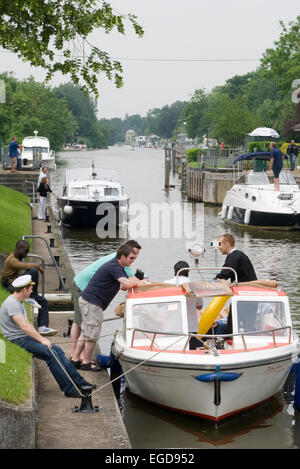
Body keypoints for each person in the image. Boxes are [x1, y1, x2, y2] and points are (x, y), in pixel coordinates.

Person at [0, 275, 95, 398]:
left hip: (22, 337)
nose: (32, 291)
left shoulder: (18, 301)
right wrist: (42, 340)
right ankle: (69, 390)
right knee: (51, 354)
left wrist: (40, 338)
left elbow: (27, 325)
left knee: (58, 350)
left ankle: (80, 383)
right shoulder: (12, 303)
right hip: (16, 340)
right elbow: (24, 327)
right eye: (30, 289)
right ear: (24, 289)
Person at [71, 245, 144, 370]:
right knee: (92, 336)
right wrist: (139, 281)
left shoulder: (118, 266)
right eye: (131, 258)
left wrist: (135, 280)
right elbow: (125, 283)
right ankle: (86, 363)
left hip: (89, 300)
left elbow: (122, 286)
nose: (133, 260)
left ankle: (75, 359)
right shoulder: (114, 266)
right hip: (93, 303)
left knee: (85, 333)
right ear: (122, 257)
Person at [1, 240, 56, 336]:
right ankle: (32, 296)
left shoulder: (15, 257)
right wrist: (38, 266)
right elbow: (23, 266)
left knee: (43, 301)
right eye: (25, 251)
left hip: (15, 284)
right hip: (11, 287)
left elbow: (23, 267)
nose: (26, 254)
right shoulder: (11, 260)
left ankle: (42, 327)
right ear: (19, 249)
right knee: (33, 271)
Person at [212, 233, 257, 336]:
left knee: (232, 324)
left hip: (245, 297)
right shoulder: (239, 255)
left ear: (227, 244)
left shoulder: (233, 256)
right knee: (243, 323)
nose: (218, 247)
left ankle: (231, 340)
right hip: (248, 295)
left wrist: (212, 283)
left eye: (220, 244)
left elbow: (224, 274)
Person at [164, 261, 203, 350]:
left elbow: (160, 305)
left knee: (171, 351)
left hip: (171, 326)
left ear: (174, 271)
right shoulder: (194, 286)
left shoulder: (166, 284)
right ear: (188, 272)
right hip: (190, 326)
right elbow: (199, 306)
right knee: (191, 352)